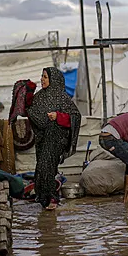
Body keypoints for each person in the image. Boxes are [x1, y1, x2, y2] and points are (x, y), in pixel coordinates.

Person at [27, 67, 81, 210]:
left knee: (47, 166)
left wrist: (59, 117)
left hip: (57, 138)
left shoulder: (63, 98)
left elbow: (75, 117)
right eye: (42, 76)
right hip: (42, 139)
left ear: (54, 79)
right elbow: (33, 114)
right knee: (43, 166)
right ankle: (45, 196)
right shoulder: (38, 97)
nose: (42, 79)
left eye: (45, 77)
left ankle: (51, 197)